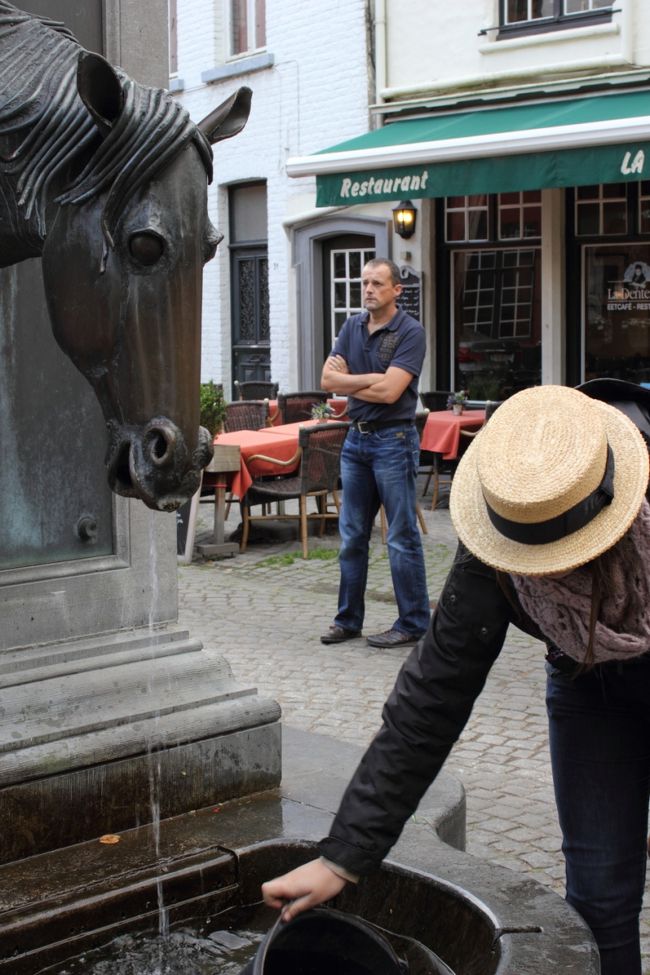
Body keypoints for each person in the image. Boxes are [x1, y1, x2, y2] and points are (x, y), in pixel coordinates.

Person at [262, 381, 650, 975]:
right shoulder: (503, 535)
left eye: (563, 555)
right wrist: (343, 856)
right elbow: (430, 698)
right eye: (535, 563)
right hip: (585, 687)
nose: (547, 577)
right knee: (599, 899)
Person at [319, 257, 430, 649]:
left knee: (400, 535)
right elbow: (326, 380)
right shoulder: (351, 326)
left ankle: (414, 623)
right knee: (351, 536)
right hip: (356, 441)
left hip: (393, 442)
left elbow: (391, 393)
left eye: (377, 283)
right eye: (365, 283)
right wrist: (369, 379)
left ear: (397, 290)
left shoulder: (410, 332)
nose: (368, 289)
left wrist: (349, 383)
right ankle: (348, 620)